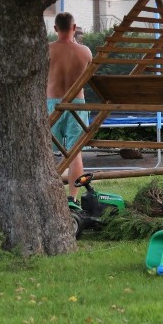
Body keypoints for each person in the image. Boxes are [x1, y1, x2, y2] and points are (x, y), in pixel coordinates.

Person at [48, 12, 93, 203]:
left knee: (46, 153)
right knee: (75, 154)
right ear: (74, 28)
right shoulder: (85, 52)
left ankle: (50, 198)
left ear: (56, 29)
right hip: (77, 104)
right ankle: (72, 199)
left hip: (53, 104)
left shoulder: (46, 50)